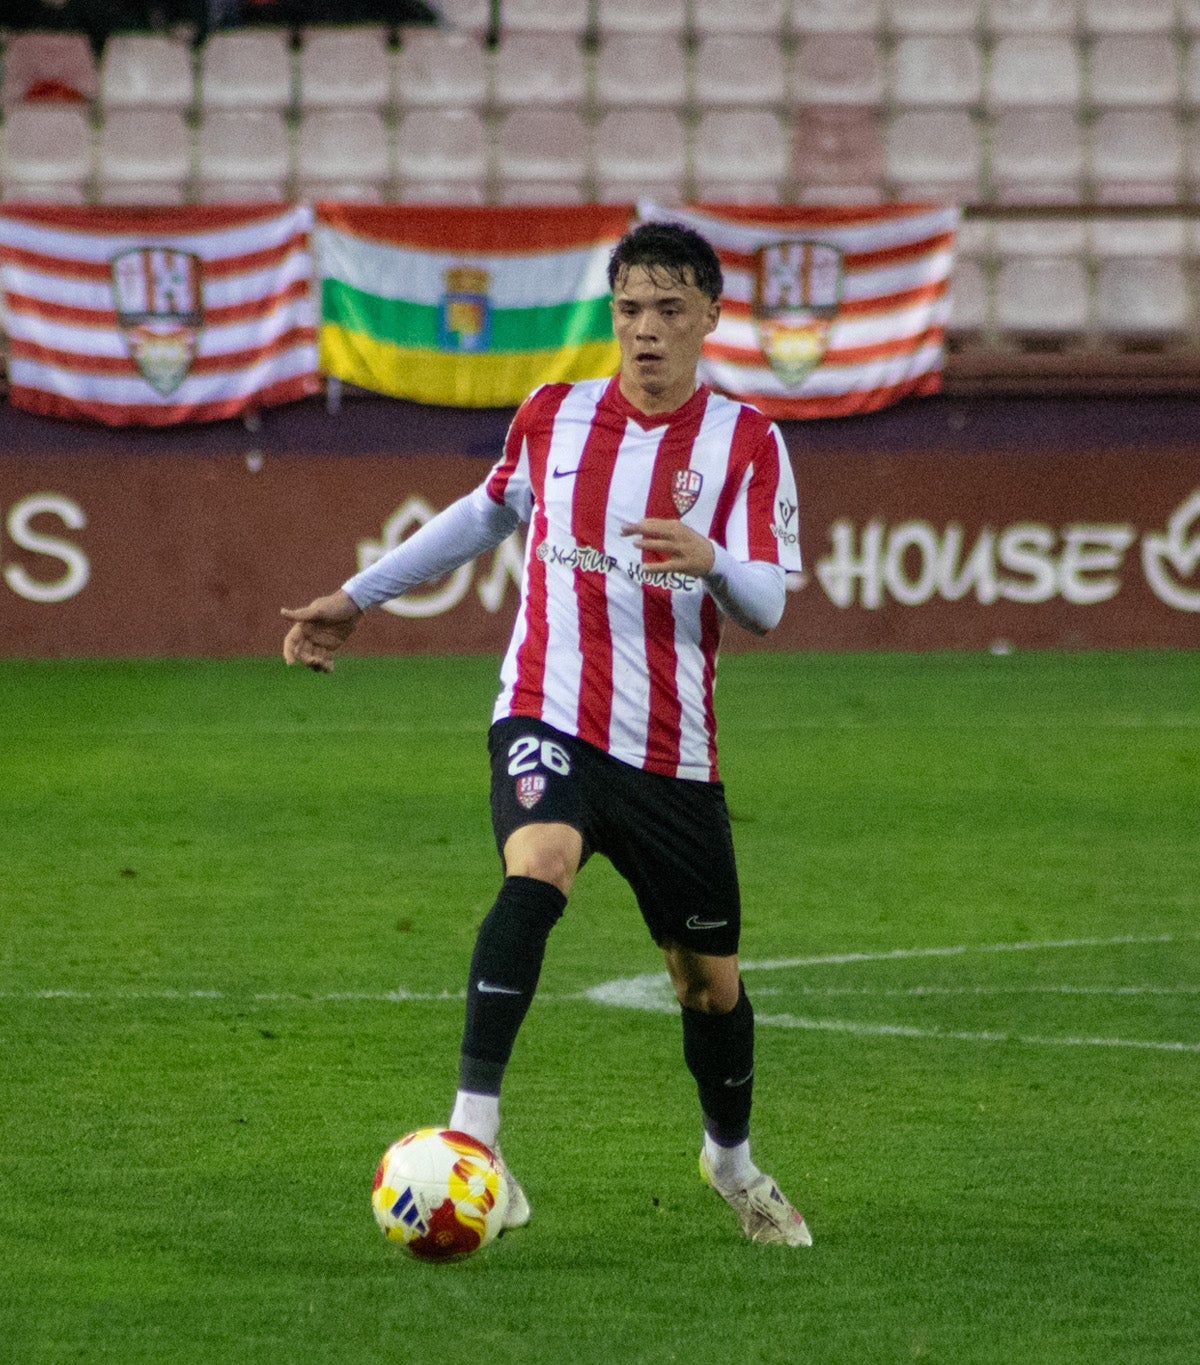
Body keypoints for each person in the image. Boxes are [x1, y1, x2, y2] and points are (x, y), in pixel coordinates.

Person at [280, 221, 813, 1247]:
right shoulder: (552, 416)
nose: (644, 331)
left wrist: (708, 559)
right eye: (627, 310)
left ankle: (731, 1161)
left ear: (709, 315)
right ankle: (473, 1136)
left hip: (671, 753)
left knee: (708, 986)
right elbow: (483, 516)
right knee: (541, 861)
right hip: (545, 710)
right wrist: (358, 596)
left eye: (666, 310)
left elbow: (767, 606)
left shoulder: (746, 441)